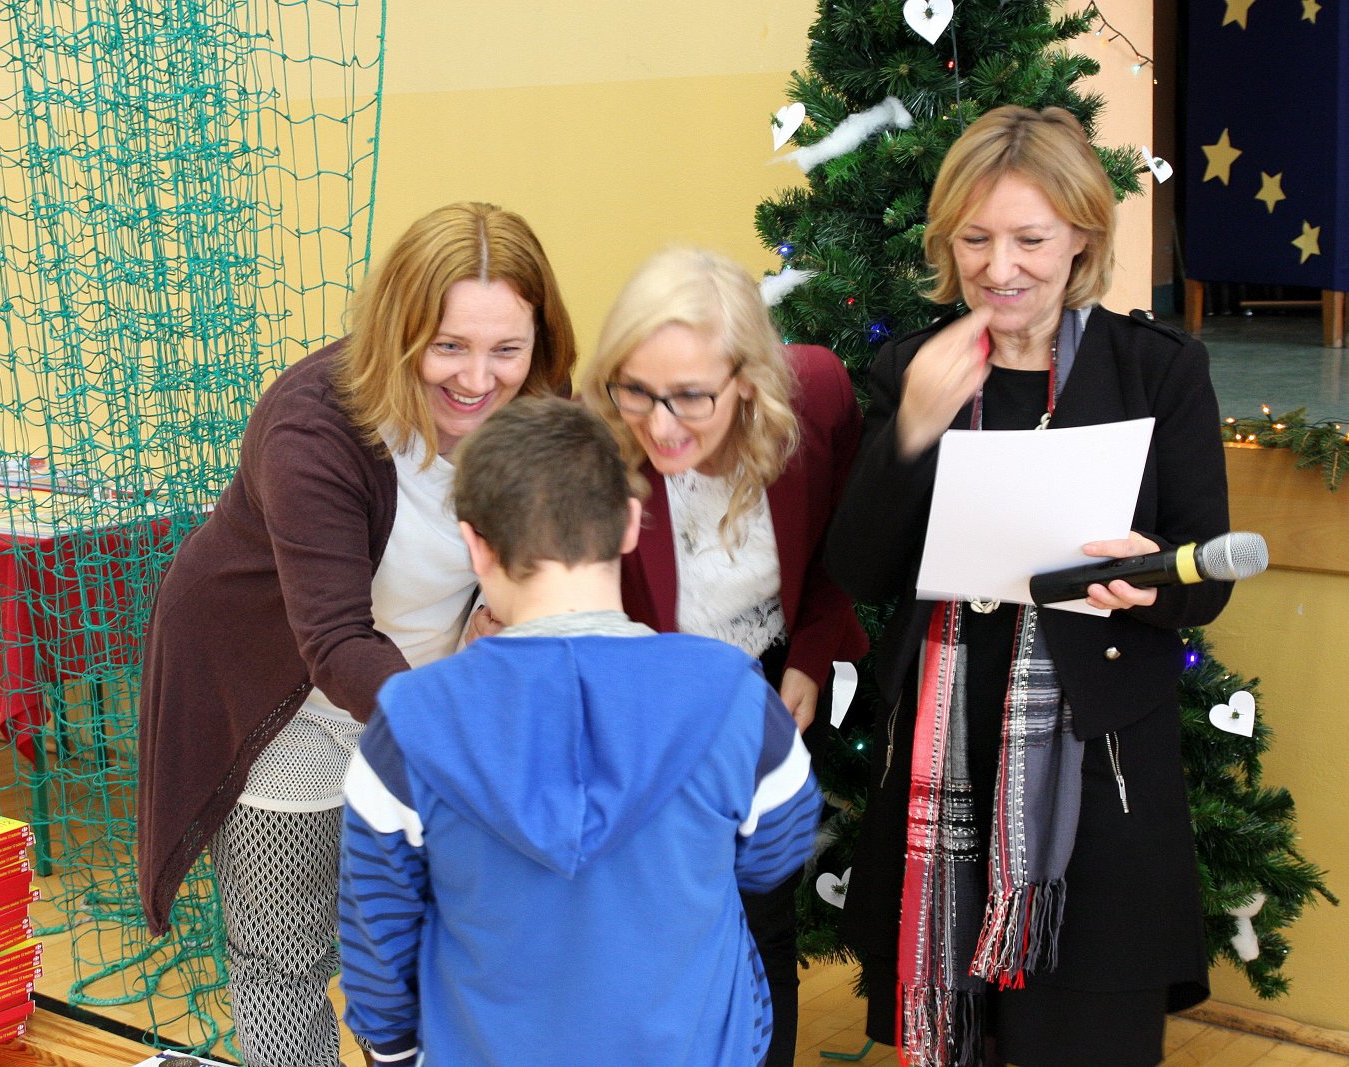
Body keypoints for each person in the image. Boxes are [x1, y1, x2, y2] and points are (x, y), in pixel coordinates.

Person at [824, 106, 1233, 1067]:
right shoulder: (913, 365)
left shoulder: (1157, 369)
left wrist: (1151, 578)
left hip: (1098, 768)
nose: (998, 266)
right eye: (974, 238)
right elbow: (860, 569)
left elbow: (1206, 570)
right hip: (942, 754)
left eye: (1029, 239)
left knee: (1084, 1033)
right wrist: (912, 429)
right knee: (954, 1031)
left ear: (1082, 235)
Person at [136, 202, 576, 1067]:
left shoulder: (542, 408)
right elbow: (336, 640)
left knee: (433, 946)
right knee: (282, 953)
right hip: (280, 695)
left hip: (427, 689)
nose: (478, 378)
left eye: (507, 349)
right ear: (397, 331)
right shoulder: (314, 423)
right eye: (448, 345)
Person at [337, 397, 820, 1066]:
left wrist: (395, 1052)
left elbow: (377, 935)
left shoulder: (408, 721)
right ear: (630, 523)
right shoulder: (734, 693)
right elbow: (776, 852)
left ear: (475, 544)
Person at [576, 246, 868, 1067]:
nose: (661, 424)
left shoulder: (817, 395)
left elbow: (839, 548)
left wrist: (808, 661)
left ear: (747, 379)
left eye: (692, 396)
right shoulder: (594, 443)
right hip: (637, 705)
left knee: (760, 918)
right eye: (637, 390)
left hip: (764, 691)